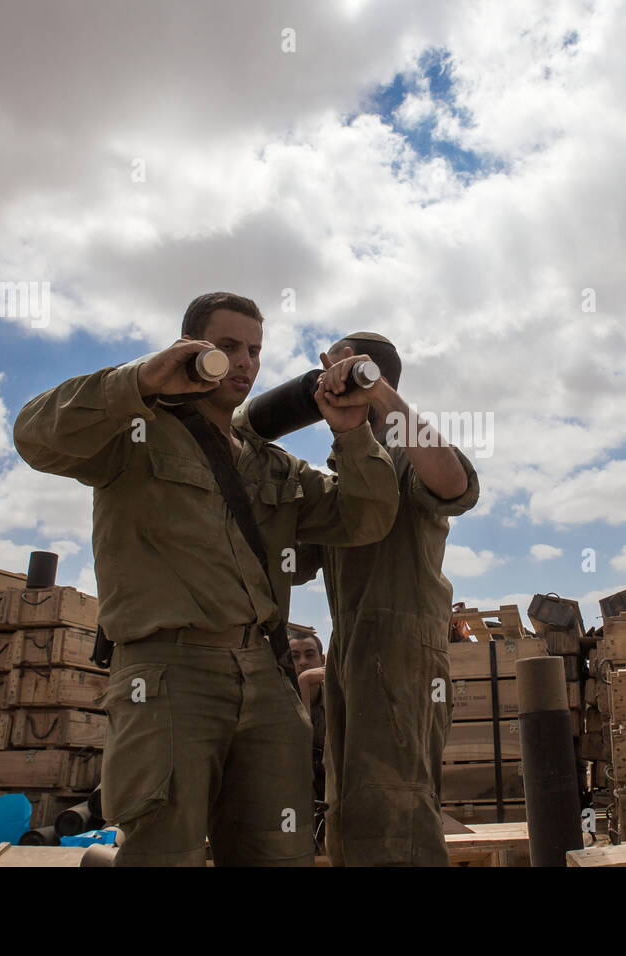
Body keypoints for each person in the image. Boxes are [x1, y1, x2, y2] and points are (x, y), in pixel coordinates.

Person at [13, 293, 399, 866]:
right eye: (227, 347)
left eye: (255, 350)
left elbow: (365, 519)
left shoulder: (273, 465)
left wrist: (350, 434)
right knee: (166, 851)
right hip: (168, 675)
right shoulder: (136, 433)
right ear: (190, 347)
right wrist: (139, 380)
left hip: (267, 677)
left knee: (280, 851)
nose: (244, 362)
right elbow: (34, 435)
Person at [263, 332, 479, 866]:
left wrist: (378, 393)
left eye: (336, 370)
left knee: (396, 808)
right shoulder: (347, 470)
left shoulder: (408, 451)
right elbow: (295, 563)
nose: (324, 380)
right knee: (351, 806)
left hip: (403, 644)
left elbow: (454, 485)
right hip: (350, 647)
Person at [287, 625, 327, 843]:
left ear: (321, 660)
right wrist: (303, 683)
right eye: (295, 656)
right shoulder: (280, 701)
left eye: (309, 655)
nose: (302, 662)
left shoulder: (336, 699)